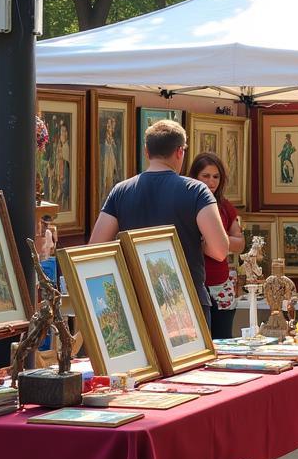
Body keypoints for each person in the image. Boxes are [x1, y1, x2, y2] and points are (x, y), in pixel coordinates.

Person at [88, 120, 228, 321]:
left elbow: (95, 249)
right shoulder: (196, 190)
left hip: (137, 302)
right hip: (186, 302)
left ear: (147, 151)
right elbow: (219, 250)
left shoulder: (120, 191)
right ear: (180, 152)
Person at [188, 152, 246, 340]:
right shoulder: (186, 204)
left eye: (216, 177)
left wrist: (214, 240)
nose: (211, 182)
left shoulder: (224, 206)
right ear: (195, 176)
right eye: (205, 176)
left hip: (220, 283)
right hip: (193, 283)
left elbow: (240, 244)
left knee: (223, 339)